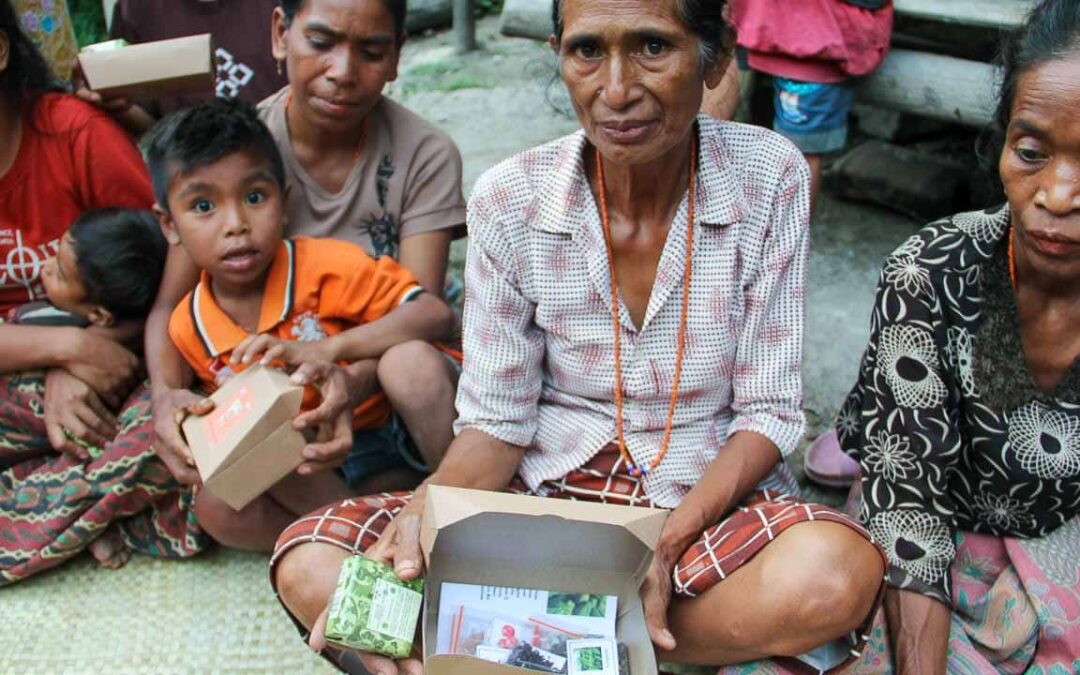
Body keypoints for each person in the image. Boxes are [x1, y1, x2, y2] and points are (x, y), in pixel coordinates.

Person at [270, 1, 888, 673]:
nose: (616, 90)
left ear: (713, 56)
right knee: (308, 563)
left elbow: (767, 412)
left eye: (653, 46)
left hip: (701, 502)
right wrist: (425, 508)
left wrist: (668, 543)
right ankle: (612, 643)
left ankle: (522, 641)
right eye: (587, 50)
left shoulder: (771, 176)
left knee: (835, 575)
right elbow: (498, 423)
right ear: (559, 55)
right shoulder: (511, 200)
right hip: (543, 499)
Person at [836, 1, 1080, 671]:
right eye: (1031, 152)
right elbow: (911, 500)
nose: (1058, 193)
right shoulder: (934, 272)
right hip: (936, 515)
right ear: (1003, 140)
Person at [145, 0, 465, 506]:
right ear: (280, 34)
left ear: (397, 56)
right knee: (213, 489)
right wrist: (164, 399)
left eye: (372, 51)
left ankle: (460, 502)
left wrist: (333, 366)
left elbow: (423, 316)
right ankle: (350, 529)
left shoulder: (423, 154)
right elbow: (171, 307)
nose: (342, 72)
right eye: (320, 43)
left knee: (408, 367)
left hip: (388, 374)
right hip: (298, 398)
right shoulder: (236, 154)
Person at [0, 0, 205, 584]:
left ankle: (48, 510)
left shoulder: (74, 134)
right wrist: (63, 352)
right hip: (16, 377)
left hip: (123, 363)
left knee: (186, 432)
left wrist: (89, 352)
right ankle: (112, 513)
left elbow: (174, 259)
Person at [77, 0, 289, 136]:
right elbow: (149, 125)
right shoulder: (137, 9)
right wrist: (114, 102)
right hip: (189, 171)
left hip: (282, 156)